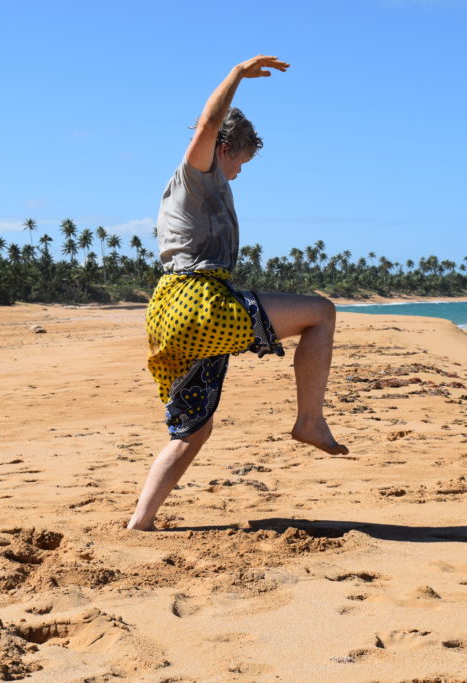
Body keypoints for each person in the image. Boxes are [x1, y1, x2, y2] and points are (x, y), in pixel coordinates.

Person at [127, 55, 348, 531]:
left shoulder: (210, 185)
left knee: (193, 429)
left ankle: (140, 522)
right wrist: (235, 76)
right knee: (320, 313)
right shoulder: (196, 172)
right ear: (226, 147)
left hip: (168, 312)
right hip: (198, 303)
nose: (242, 171)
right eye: (241, 159)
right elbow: (208, 122)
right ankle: (310, 420)